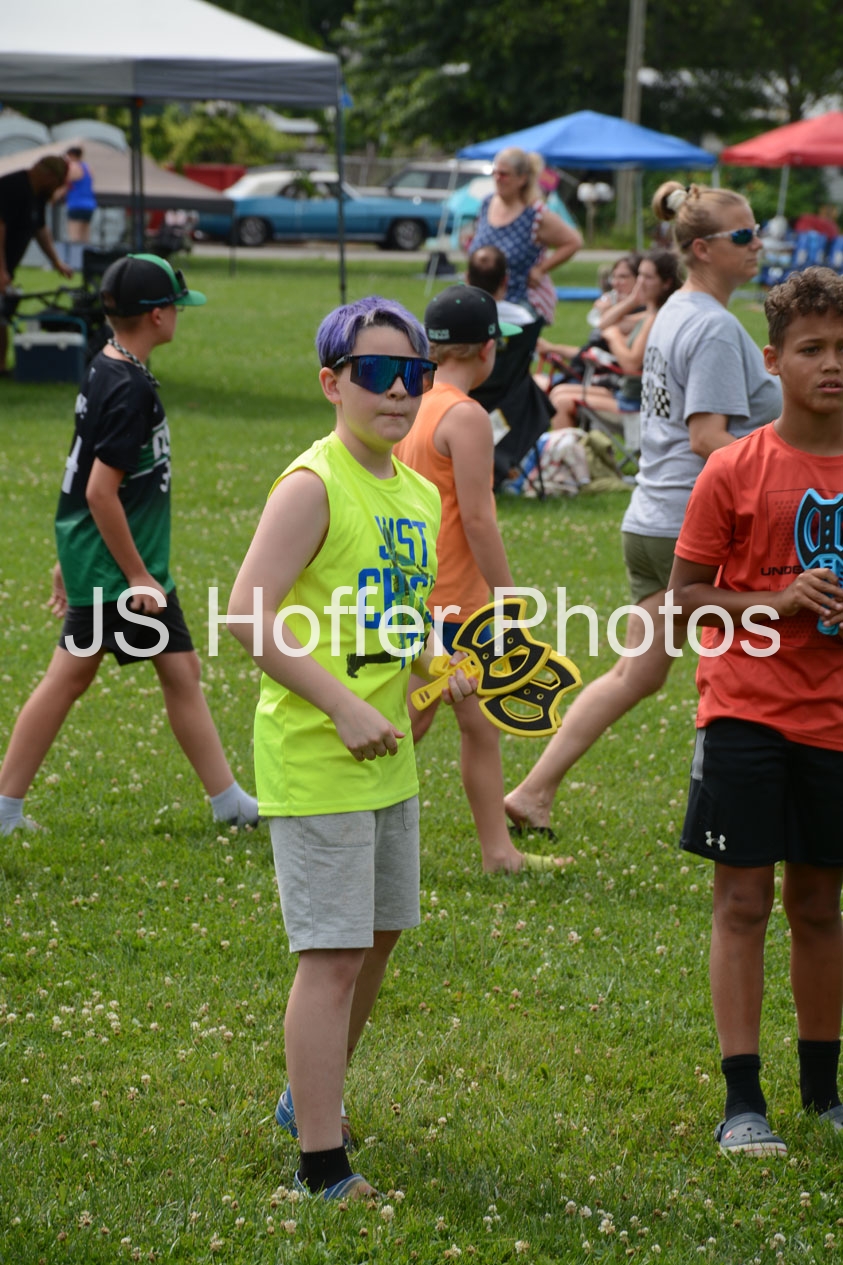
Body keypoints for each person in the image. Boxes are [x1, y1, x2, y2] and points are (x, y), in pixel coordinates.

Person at [227, 296, 476, 1200]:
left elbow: (400, 608)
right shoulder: (313, 484)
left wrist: (436, 658)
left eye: (413, 374)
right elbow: (246, 614)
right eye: (376, 373)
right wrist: (337, 705)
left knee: (378, 936)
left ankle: (308, 1099)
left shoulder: (414, 491)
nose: (398, 391)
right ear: (333, 383)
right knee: (331, 956)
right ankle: (320, 1166)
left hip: (387, 756)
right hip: (317, 751)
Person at [504, 181, 782, 835]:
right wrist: (789, 470)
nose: (758, 245)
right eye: (744, 235)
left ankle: (532, 791)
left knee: (637, 672)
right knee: (760, 667)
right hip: (697, 528)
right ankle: (758, 808)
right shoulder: (713, 328)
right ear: (703, 248)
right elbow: (707, 437)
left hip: (651, 521)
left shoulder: (678, 310)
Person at [669, 266, 843, 1155]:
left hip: (834, 722)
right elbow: (683, 599)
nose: (831, 364)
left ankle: (823, 1092)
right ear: (771, 361)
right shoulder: (734, 468)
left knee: (817, 903)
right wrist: (773, 603)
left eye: (842, 348)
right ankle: (743, 1100)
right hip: (745, 710)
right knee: (742, 900)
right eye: (811, 348)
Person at [0, 254, 259, 836]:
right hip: (122, 572)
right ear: (158, 315)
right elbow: (99, 490)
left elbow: (79, 471)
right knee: (71, 677)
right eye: (176, 307)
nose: (180, 316)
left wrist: (68, 558)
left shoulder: (107, 364)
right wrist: (138, 576)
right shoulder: (129, 387)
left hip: (110, 561)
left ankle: (228, 803)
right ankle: (4, 807)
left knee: (179, 669)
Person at [395, 285, 566, 874]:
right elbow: (478, 519)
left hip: (417, 594)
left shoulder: (411, 402)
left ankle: (499, 853)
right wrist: (509, 596)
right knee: (417, 724)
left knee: (468, 723)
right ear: (489, 349)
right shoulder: (465, 416)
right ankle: (327, 814)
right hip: (456, 605)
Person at [544, 249, 683, 429]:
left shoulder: (655, 318)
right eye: (640, 275)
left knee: (561, 402)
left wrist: (614, 337)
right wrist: (633, 299)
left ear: (666, 283)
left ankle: (567, 447)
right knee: (558, 392)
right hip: (627, 393)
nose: (640, 282)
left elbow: (631, 364)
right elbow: (603, 325)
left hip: (638, 403)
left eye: (648, 277)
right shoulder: (651, 314)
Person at [469, 148, 582, 326]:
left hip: (518, 302)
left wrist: (541, 269)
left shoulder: (534, 214)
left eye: (504, 174)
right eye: (494, 172)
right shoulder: (487, 203)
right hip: (481, 299)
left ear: (522, 179)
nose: (497, 178)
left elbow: (573, 241)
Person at [0, 155, 75, 375]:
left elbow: (40, 229)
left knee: (3, 314)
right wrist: (1, 271)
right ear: (49, 176)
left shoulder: (38, 195)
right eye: (58, 183)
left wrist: (56, 261)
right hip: (2, 266)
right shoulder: (13, 187)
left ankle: (1, 366)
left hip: (7, 266)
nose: (56, 189)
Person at [60, 146, 98, 244]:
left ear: (72, 155)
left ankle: (75, 254)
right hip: (89, 205)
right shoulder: (87, 168)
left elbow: (64, 185)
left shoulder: (73, 167)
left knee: (74, 237)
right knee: (85, 236)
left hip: (76, 204)